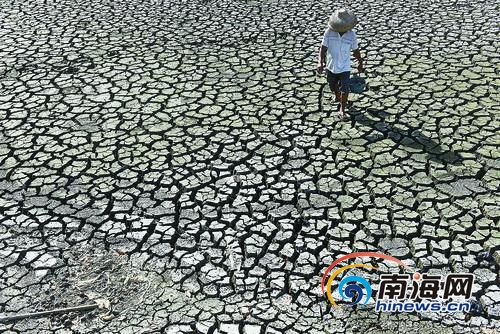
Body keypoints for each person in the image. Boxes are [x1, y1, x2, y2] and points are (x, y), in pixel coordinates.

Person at [317, 8, 364, 119]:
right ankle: (337, 97)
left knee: (345, 87)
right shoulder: (329, 32)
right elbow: (322, 49)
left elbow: (356, 51)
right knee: (332, 85)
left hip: (345, 67)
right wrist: (320, 62)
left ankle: (342, 109)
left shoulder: (351, 35)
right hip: (331, 66)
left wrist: (360, 63)